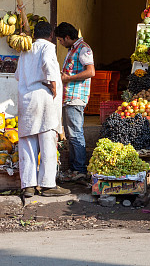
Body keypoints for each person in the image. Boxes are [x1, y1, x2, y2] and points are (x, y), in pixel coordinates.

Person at [15, 21, 68, 198]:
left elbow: (17, 75)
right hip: (44, 96)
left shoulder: (25, 50)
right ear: (51, 35)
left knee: (27, 142)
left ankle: (28, 185)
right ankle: (47, 185)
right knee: (47, 141)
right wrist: (53, 85)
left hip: (26, 98)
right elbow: (48, 64)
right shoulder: (48, 47)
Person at [54, 22, 95, 183]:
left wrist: (67, 78)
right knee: (72, 134)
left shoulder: (83, 49)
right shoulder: (73, 49)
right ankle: (74, 169)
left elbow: (91, 72)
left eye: (60, 40)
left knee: (76, 134)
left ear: (67, 37)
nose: (60, 43)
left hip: (75, 98)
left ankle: (79, 169)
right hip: (69, 97)